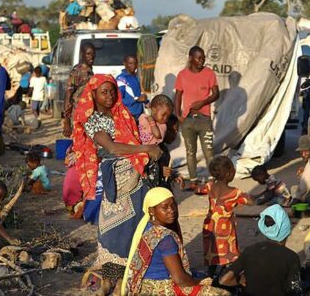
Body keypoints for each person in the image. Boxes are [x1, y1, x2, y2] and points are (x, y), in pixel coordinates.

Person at [71, 74, 162, 285]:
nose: (109, 96)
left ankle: (131, 277)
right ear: (93, 95)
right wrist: (146, 149)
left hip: (136, 177)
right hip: (118, 179)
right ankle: (110, 279)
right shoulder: (93, 120)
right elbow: (111, 147)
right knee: (114, 229)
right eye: (104, 92)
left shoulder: (122, 114)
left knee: (137, 225)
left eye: (112, 91)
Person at [122, 187, 230, 296]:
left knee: (200, 275)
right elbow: (180, 279)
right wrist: (200, 283)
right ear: (151, 210)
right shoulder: (165, 239)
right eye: (165, 207)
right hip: (160, 289)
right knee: (222, 293)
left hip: (143, 286)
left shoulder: (147, 226)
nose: (171, 210)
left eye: (173, 205)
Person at [219, 204, 302, 296]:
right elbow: (295, 290)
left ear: (264, 229)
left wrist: (239, 280)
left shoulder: (250, 250)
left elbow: (224, 280)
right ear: (287, 230)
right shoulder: (291, 257)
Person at [174, 46, 220, 193]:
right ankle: (193, 181)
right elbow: (178, 96)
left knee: (209, 151)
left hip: (204, 118)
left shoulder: (209, 73)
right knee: (190, 151)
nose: (202, 61)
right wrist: (178, 115)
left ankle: (213, 180)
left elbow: (216, 94)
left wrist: (203, 103)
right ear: (191, 58)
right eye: (199, 58)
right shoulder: (182, 75)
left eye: (203, 58)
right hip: (187, 119)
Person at [202, 156, 252, 277]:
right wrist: (246, 198)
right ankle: (228, 275)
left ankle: (210, 275)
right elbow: (249, 201)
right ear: (229, 173)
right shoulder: (235, 192)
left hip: (209, 226)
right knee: (229, 252)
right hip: (225, 228)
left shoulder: (209, 186)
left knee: (212, 251)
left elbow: (199, 189)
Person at [62, 42, 95, 137]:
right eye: (88, 54)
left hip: (87, 113)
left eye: (93, 54)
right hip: (77, 114)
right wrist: (66, 122)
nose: (91, 56)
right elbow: (68, 94)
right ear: (82, 54)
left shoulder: (89, 70)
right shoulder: (77, 71)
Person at [117, 54, 147, 119]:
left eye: (135, 63)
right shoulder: (121, 79)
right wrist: (136, 100)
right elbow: (119, 99)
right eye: (130, 63)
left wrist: (146, 101)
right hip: (128, 115)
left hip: (139, 114)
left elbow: (139, 94)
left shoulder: (136, 77)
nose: (133, 65)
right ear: (125, 64)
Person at [292, 135, 310, 203]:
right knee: (293, 188)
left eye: (306, 151)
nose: (303, 154)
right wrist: (302, 175)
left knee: (294, 191)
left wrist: (296, 198)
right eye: (301, 152)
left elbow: (304, 183)